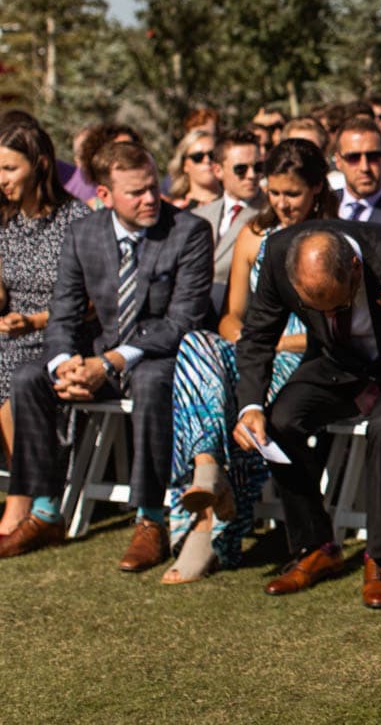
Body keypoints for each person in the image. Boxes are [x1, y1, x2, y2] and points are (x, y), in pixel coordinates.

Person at [0, 141, 214, 569]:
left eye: (153, 187)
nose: (151, 199)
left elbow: (182, 322)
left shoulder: (188, 232)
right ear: (104, 195)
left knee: (154, 381)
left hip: (157, 353)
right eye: (136, 192)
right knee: (28, 377)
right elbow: (64, 313)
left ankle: (151, 519)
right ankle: (44, 510)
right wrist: (64, 364)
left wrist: (112, 362)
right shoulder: (84, 234)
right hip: (97, 351)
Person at [232, 222, 381, 608]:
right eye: (314, 308)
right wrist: (250, 407)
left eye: (339, 305)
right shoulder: (278, 253)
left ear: (357, 270)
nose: (327, 313)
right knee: (279, 422)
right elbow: (258, 336)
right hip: (336, 364)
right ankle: (317, 546)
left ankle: (380, 557)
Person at [160, 139, 336, 584]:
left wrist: (270, 345)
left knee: (232, 392)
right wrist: (249, 342)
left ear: (316, 188)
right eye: (273, 192)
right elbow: (231, 317)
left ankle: (208, 531)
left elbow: (332, 330)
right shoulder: (254, 235)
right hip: (254, 351)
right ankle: (207, 468)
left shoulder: (333, 239)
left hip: (302, 359)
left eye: (291, 194)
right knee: (197, 344)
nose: (281, 204)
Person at [0, 115, 92, 538]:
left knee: (9, 372)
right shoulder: (5, 220)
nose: (0, 178)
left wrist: (34, 320)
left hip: (59, 334)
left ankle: (27, 503)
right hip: (11, 330)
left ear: (38, 165)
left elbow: (92, 301)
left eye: (7, 168)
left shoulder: (75, 220)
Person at [193, 128, 265, 314]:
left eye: (258, 167)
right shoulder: (199, 215)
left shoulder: (270, 215)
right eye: (241, 169)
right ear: (218, 170)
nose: (251, 175)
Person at [165, 128, 221, 209]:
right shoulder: (177, 211)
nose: (207, 160)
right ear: (184, 165)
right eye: (198, 157)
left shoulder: (237, 202)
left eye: (212, 154)